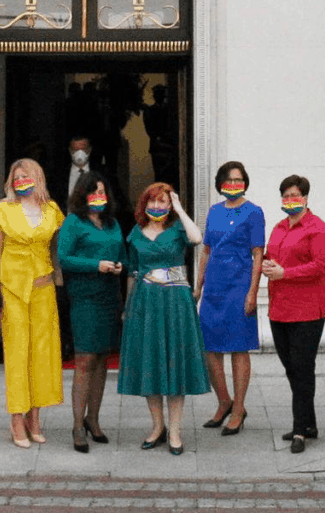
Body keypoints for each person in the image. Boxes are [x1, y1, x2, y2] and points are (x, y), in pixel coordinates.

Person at [118, 182, 209, 456]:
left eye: (163, 202)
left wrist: (179, 208)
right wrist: (127, 308)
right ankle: (157, 427)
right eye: (153, 201)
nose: (157, 206)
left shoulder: (179, 228)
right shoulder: (135, 234)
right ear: (144, 204)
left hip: (175, 304)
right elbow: (132, 273)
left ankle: (176, 431)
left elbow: (197, 238)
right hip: (145, 303)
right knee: (151, 362)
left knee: (174, 363)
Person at [0, 158, 65, 448]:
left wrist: (59, 285)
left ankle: (35, 417)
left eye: (26, 176)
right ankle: (16, 419)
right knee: (18, 354)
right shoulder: (2, 210)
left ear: (37, 177)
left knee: (42, 355)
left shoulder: (52, 211)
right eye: (16, 177)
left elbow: (55, 250)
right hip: (13, 290)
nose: (21, 181)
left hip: (44, 289)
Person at [263, 174, 325, 454]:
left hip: (306, 310)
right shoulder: (279, 227)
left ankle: (300, 431)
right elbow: (272, 255)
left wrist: (285, 273)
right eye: (286, 196)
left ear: (306, 198)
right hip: (279, 308)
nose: (290, 200)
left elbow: (320, 266)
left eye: (295, 195)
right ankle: (308, 422)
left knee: (303, 368)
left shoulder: (318, 229)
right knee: (292, 368)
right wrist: (270, 265)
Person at [194, 161, 264, 436]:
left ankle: (239, 409)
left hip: (239, 286)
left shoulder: (254, 213)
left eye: (238, 179)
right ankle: (224, 401)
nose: (234, 184)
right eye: (229, 179)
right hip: (214, 287)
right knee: (209, 347)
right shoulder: (214, 211)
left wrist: (253, 292)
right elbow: (206, 250)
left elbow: (258, 254)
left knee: (238, 347)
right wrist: (199, 285)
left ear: (245, 182)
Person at [56, 171, 124, 453]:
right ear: (82, 196)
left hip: (109, 296)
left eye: (102, 192)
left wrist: (119, 265)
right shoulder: (74, 222)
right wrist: (96, 265)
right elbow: (64, 258)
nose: (98, 197)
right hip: (84, 297)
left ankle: (93, 420)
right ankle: (76, 425)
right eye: (93, 192)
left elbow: (121, 252)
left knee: (101, 361)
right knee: (84, 359)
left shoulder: (112, 223)